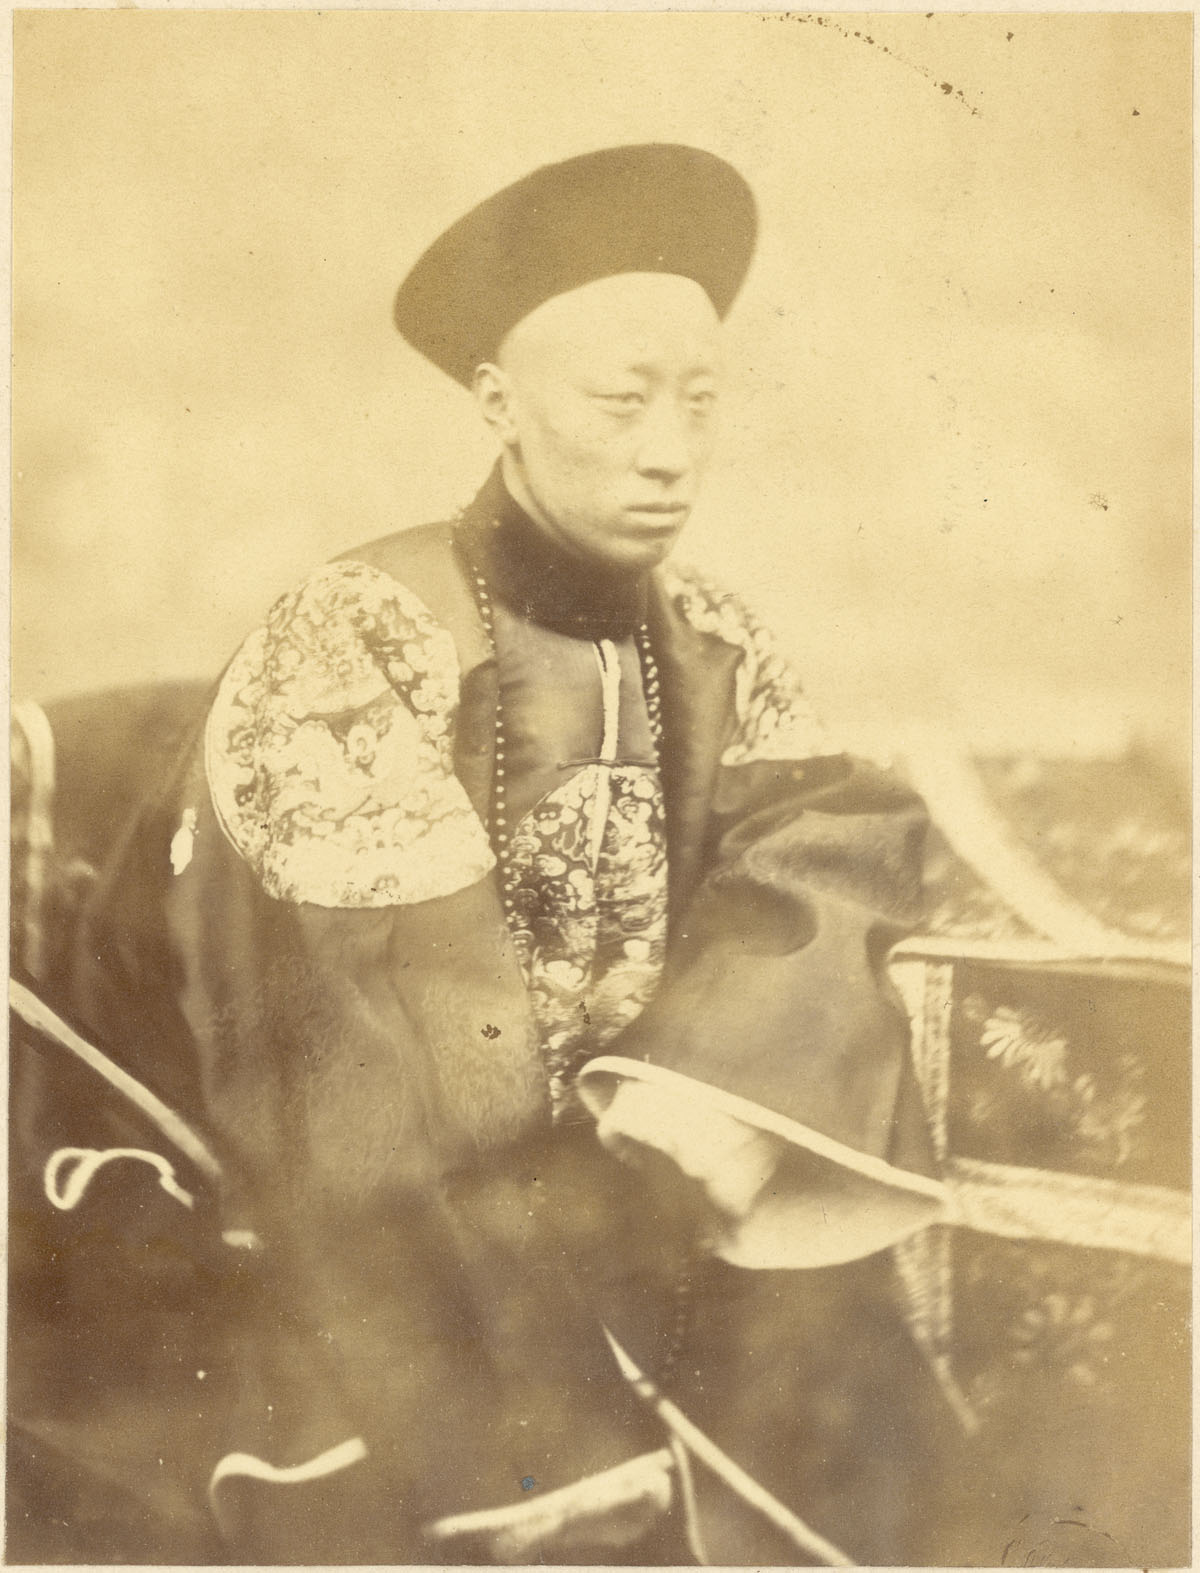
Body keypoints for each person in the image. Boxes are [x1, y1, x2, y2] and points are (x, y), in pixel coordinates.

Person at [48, 143, 961, 1563]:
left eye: (700, 400)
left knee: (884, 1469)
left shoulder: (713, 636)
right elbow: (345, 1023)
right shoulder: (354, 634)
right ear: (497, 404)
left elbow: (831, 836)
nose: (669, 450)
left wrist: (688, 1116)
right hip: (350, 1194)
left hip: (629, 1169)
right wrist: (568, 1216)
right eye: (620, 400)